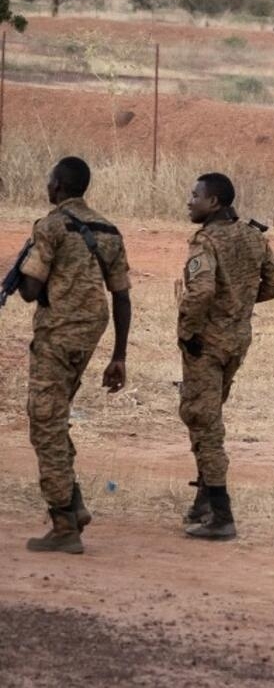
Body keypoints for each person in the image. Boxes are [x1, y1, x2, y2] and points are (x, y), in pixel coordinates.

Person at [16, 156, 131, 555]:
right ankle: (75, 503)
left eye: (50, 181)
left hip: (57, 334)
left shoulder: (50, 226)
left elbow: (32, 290)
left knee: (44, 423)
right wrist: (119, 355)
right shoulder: (108, 230)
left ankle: (64, 524)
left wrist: (22, 277)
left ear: (59, 187)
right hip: (90, 334)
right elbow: (121, 295)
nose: (47, 187)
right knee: (56, 413)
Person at [178, 172, 274, 540]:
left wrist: (188, 330)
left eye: (196, 195)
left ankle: (221, 514)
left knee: (203, 420)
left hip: (207, 344)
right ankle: (204, 501)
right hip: (237, 341)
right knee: (205, 414)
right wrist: (238, 303)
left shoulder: (205, 241)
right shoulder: (252, 236)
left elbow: (201, 290)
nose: (190, 201)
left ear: (215, 202)